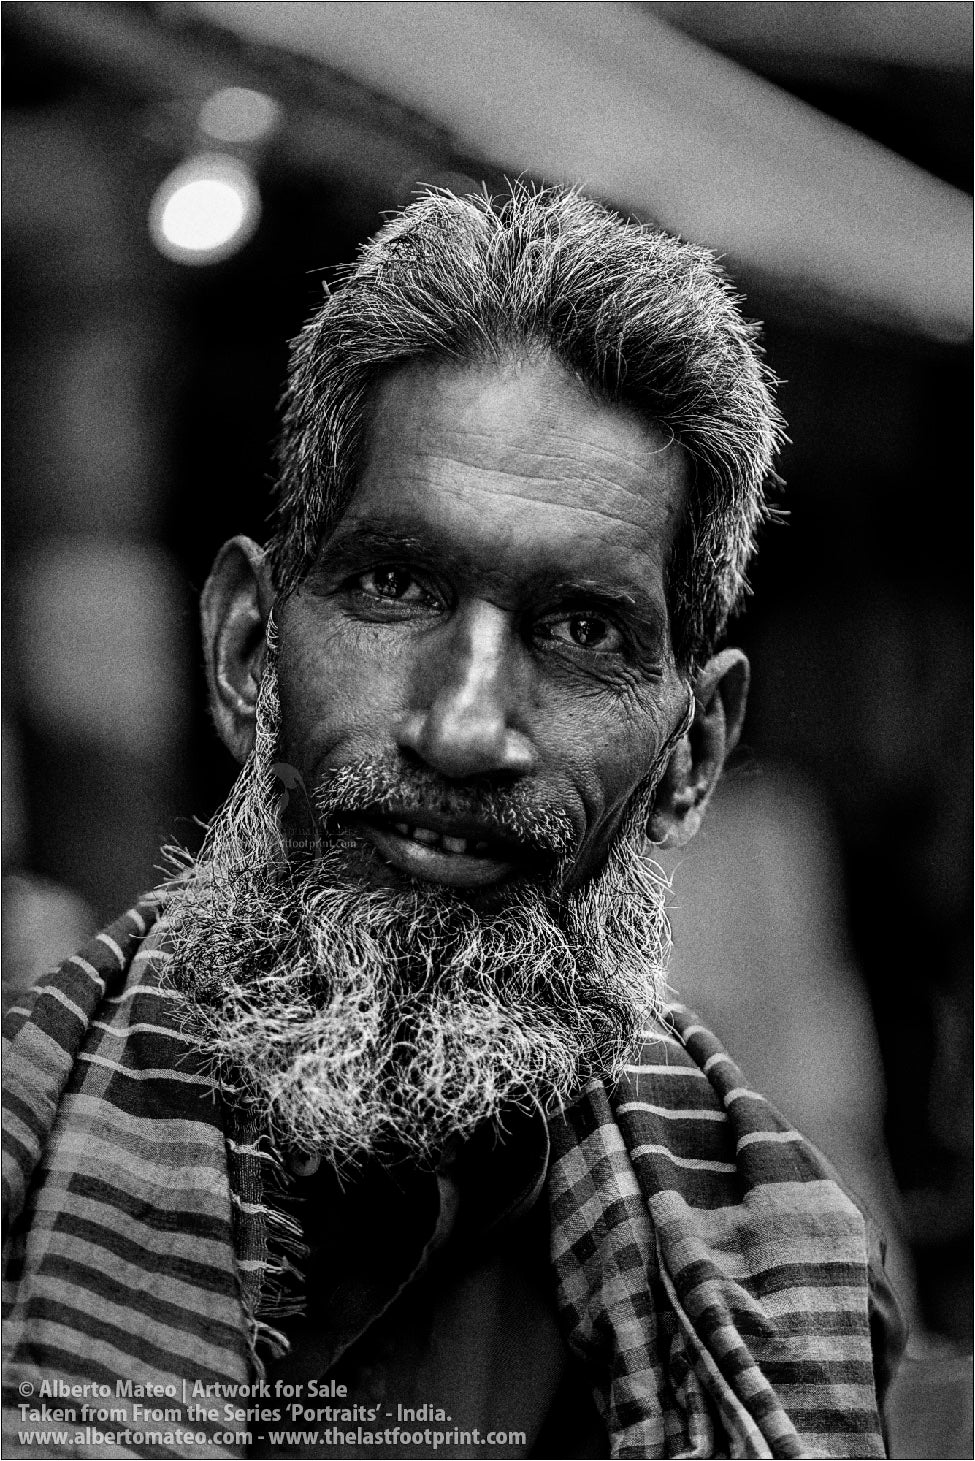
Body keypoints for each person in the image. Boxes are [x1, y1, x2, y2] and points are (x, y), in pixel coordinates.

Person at [3, 184, 904, 1460]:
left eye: (584, 628)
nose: (465, 729)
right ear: (248, 648)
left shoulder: (792, 1280)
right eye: (393, 584)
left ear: (694, 752)